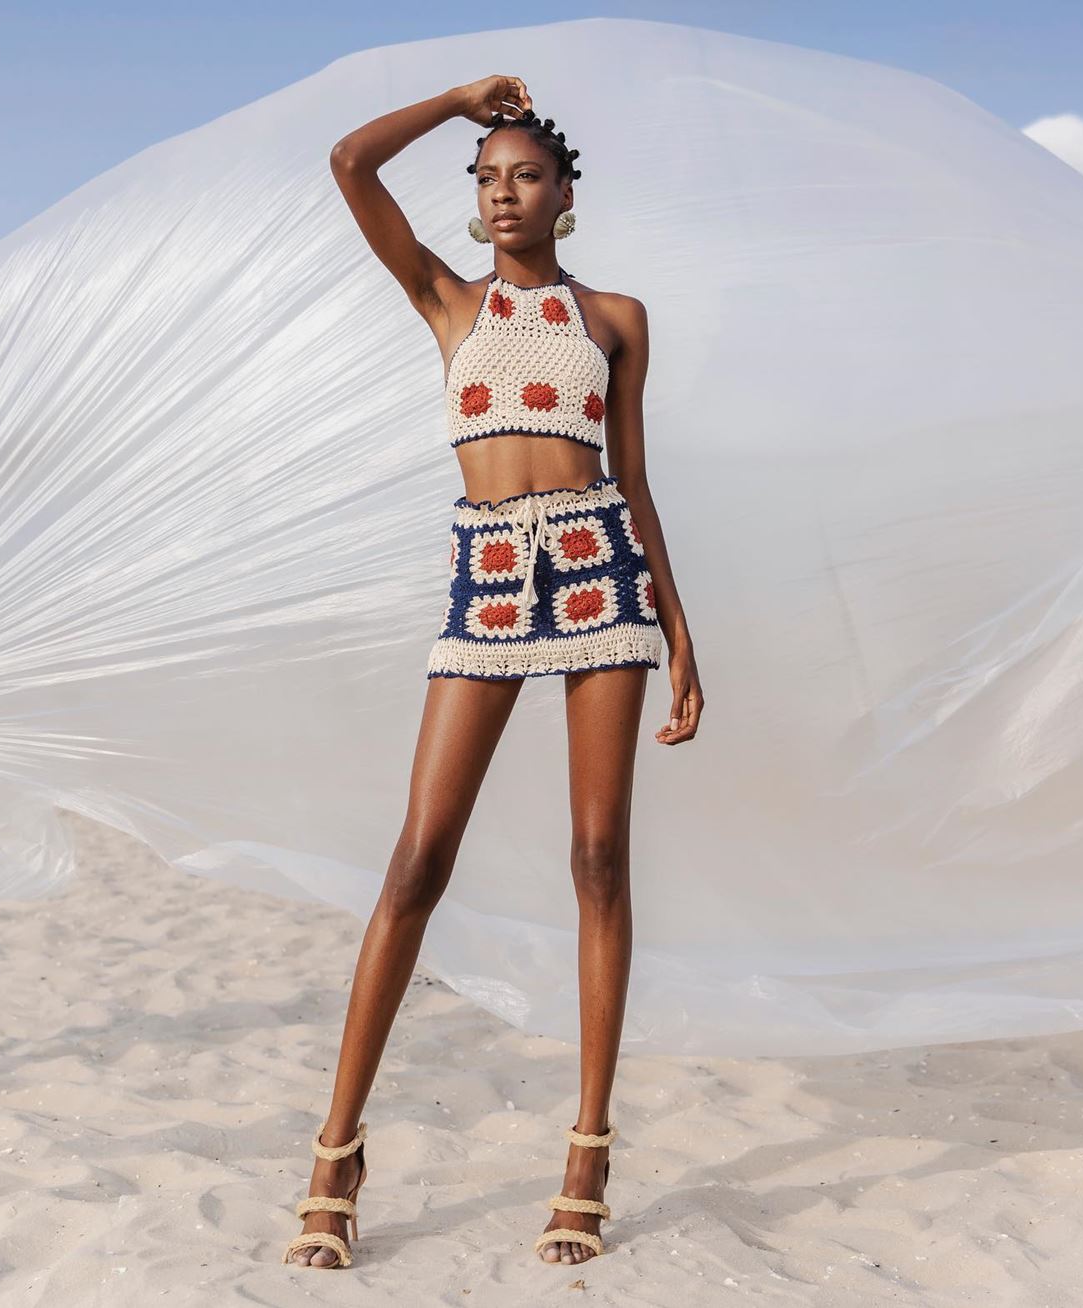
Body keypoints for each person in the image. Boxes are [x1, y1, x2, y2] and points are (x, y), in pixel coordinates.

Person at [282, 73, 704, 1272]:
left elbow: (635, 473)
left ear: (565, 195)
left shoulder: (613, 318)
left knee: (598, 857)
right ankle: (336, 1150)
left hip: (599, 574)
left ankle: (587, 1153)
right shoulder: (448, 302)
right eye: (486, 177)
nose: (503, 192)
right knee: (418, 861)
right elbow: (351, 164)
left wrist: (678, 628)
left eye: (525, 174)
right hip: (486, 579)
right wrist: (458, 100)